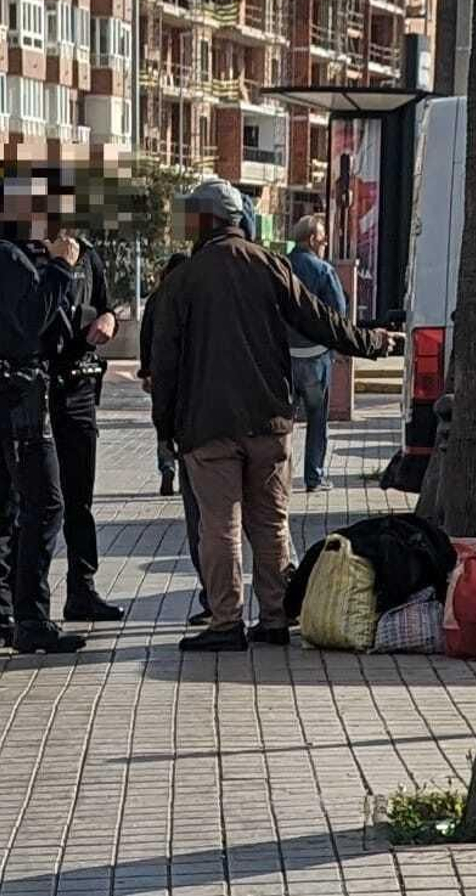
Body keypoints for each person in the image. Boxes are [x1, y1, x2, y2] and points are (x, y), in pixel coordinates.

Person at [150, 179, 399, 652]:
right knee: (270, 522)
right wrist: (375, 343)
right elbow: (322, 321)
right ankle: (274, 617)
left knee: (219, 525)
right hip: (269, 421)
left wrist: (167, 430)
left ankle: (225, 622)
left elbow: (165, 364)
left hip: (207, 427)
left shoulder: (182, 280)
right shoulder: (270, 265)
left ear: (201, 221)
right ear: (236, 220)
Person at [0, 166, 87, 655]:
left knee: (2, 507)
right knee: (45, 503)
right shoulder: (8, 259)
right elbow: (35, 317)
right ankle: (31, 619)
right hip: (17, 395)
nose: (45, 222)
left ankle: (0, 618)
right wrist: (60, 268)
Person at [44, 226, 124, 623]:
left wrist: (109, 319)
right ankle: (30, 607)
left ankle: (82, 590)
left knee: (80, 502)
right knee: (39, 505)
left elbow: (108, 306)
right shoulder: (29, 253)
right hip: (40, 392)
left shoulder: (89, 255)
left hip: (80, 389)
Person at [139, 251, 210, 626]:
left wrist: (146, 371)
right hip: (241, 418)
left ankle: (216, 601)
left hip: (188, 418)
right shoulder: (212, 296)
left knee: (205, 516)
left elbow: (153, 342)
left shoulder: (163, 296)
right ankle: (277, 601)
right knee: (260, 517)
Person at [286, 215, 347, 492]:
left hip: (283, 357)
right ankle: (314, 476)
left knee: (282, 422)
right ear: (312, 240)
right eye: (323, 241)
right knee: (316, 419)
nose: (324, 246)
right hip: (316, 356)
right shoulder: (323, 271)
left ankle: (279, 478)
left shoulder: (280, 267)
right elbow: (338, 314)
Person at [145, 253, 192, 497]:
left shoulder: (157, 298)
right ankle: (186, 473)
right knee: (184, 423)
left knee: (163, 423)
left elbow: (146, 336)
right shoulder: (191, 297)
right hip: (187, 374)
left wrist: (146, 371)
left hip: (161, 372)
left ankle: (166, 468)